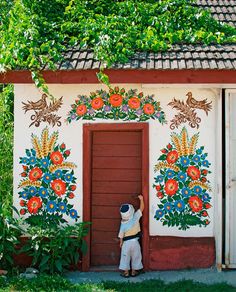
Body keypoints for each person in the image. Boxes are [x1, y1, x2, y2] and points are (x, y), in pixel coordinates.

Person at [118, 194, 144, 278]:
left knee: (125, 257)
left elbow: (121, 234)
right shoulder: (135, 217)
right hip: (135, 242)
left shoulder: (123, 223)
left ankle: (126, 272)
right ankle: (133, 271)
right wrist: (141, 199)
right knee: (136, 256)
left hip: (126, 243)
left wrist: (121, 242)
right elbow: (141, 209)